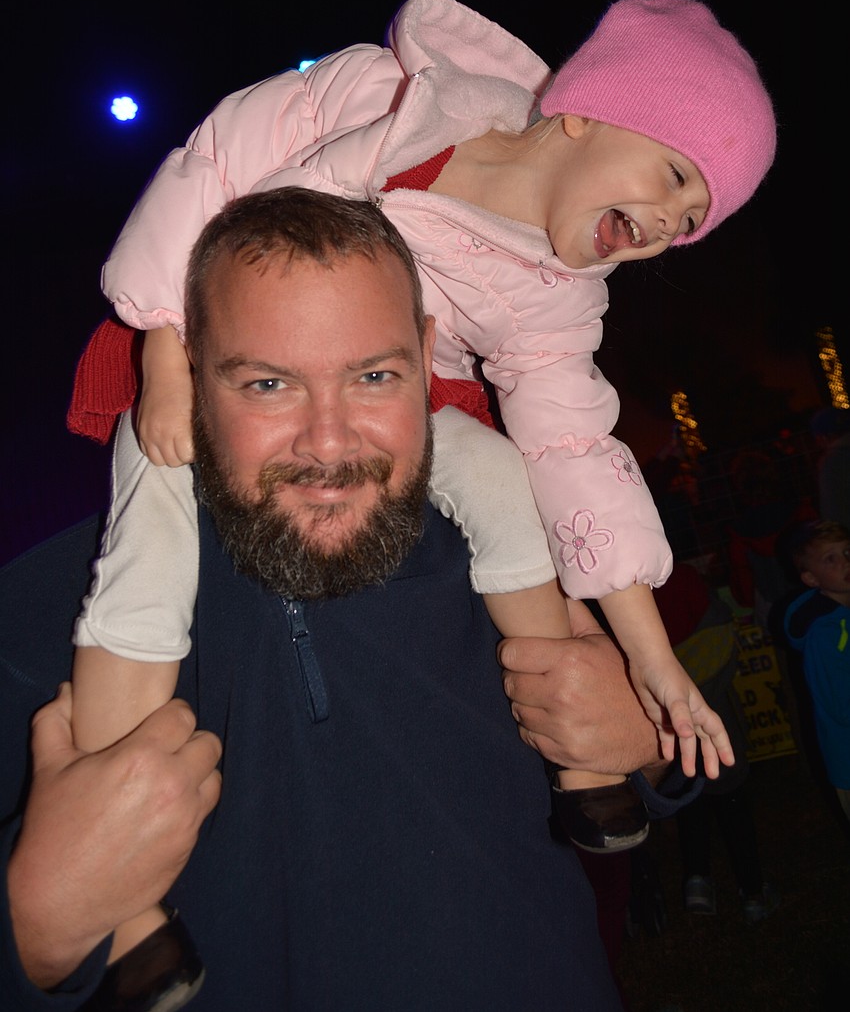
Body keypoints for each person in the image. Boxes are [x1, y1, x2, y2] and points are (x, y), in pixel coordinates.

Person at [66, 0, 772, 964]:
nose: (667, 227)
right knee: (144, 555)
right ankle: (126, 914)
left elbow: (577, 460)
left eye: (691, 223)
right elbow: (217, 156)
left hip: (416, 404)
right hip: (213, 337)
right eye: (673, 177)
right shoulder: (390, 99)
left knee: (514, 491)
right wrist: (162, 339)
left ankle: (579, 772)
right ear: (591, 109)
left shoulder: (554, 302)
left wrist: (647, 671)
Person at [3, 188, 703, 1011]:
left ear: (427, 355)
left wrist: (648, 737)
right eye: (267, 383)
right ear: (189, 375)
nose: (328, 440)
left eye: (374, 375)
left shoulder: (528, 552)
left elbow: (676, 767)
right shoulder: (46, 612)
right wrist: (38, 921)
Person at [653, 557, 780, 924]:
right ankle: (752, 891)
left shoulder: (619, 586)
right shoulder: (680, 576)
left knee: (688, 796)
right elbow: (721, 634)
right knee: (732, 802)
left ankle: (697, 882)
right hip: (712, 707)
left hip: (667, 718)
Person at [784, 518, 850, 830]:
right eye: (830, 559)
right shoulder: (824, 635)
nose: (845, 562)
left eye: (847, 552)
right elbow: (840, 704)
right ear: (811, 579)